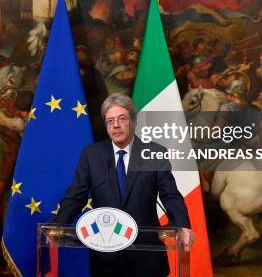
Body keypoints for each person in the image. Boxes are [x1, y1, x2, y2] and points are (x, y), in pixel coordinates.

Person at [52, 93, 192, 277]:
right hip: (106, 255)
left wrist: (182, 224)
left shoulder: (154, 152)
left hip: (145, 256)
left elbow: (170, 194)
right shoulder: (92, 155)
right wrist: (58, 225)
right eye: (110, 121)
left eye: (122, 119)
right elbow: (76, 195)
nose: (115, 125)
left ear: (133, 121)